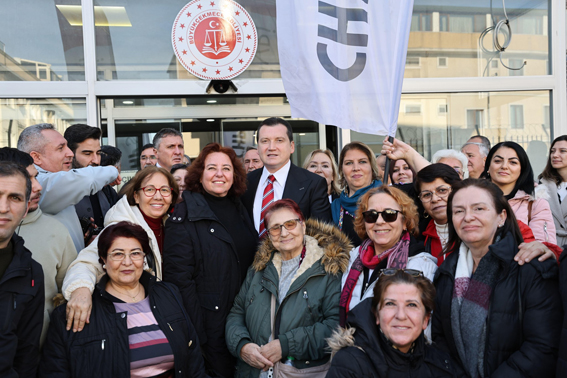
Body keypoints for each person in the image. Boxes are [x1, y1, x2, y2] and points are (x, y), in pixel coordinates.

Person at [40, 221, 208, 378]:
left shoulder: (168, 294)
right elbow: (55, 370)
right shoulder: (77, 310)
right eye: (118, 254)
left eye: (135, 253)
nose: (127, 262)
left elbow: (192, 357)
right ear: (104, 260)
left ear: (144, 259)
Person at [432, 179, 562, 378]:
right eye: (458, 211)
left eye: (479, 208)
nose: (468, 217)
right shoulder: (445, 273)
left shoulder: (531, 268)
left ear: (501, 217)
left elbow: (541, 347)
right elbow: (441, 341)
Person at [225, 199, 351, 378]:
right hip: (253, 372)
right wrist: (242, 345)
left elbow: (334, 326)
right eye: (275, 228)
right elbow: (236, 313)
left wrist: (286, 345)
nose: (284, 233)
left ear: (303, 226)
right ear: (268, 235)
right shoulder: (259, 268)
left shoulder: (328, 269)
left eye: (290, 224)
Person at [164, 143, 257, 377]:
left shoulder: (240, 207)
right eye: (212, 168)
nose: (219, 174)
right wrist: (200, 336)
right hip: (210, 328)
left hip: (246, 320)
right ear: (200, 174)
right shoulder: (184, 215)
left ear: (234, 176)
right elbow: (179, 281)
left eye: (226, 168)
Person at [62, 166, 178, 333]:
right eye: (150, 189)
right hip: (132, 318)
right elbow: (86, 263)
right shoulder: (122, 228)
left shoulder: (171, 225)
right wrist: (81, 290)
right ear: (136, 196)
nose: (158, 196)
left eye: (165, 190)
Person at [0, 148, 76, 346]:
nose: (37, 186)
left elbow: (71, 284)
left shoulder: (56, 231)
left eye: (36, 177)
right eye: (27, 179)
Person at [327, 271, 463, 378]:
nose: (401, 315)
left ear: (426, 319)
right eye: (390, 304)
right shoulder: (350, 364)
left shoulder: (441, 365)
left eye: (411, 305)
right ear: (377, 315)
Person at [339, 186, 437, 326]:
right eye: (371, 215)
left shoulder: (421, 266)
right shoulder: (353, 257)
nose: (379, 221)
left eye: (389, 214)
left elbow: (424, 329)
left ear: (404, 222)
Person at [17, 123, 119, 252]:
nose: (70, 153)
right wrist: (112, 171)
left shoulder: (103, 190)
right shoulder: (34, 183)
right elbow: (89, 178)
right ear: (36, 157)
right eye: (61, 148)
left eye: (98, 153)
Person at [241, 117, 332, 237]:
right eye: (265, 141)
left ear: (292, 147)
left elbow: (323, 236)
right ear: (258, 148)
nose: (271, 147)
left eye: (279, 140)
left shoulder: (313, 184)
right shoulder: (245, 183)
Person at [0, 161, 45, 377]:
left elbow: (26, 353)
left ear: (26, 207)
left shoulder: (32, 272)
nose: (3, 208)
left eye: (15, 198)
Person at [481, 141, 557, 244]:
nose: (504, 166)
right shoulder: (471, 197)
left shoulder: (535, 204)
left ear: (522, 169)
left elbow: (542, 247)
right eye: (498, 161)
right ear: (488, 167)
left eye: (513, 162)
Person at [65, 124, 119, 232]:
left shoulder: (106, 189)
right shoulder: (59, 190)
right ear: (70, 154)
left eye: (98, 153)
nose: (96, 160)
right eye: (87, 154)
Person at [332, 142, 382, 246]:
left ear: (372, 168)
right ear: (342, 170)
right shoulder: (334, 207)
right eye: (349, 163)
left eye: (362, 162)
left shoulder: (388, 198)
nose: (356, 168)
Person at [415, 164, 462, 265]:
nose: (435, 199)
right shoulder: (418, 238)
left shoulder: (474, 227)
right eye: (427, 195)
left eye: (442, 190)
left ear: (456, 191)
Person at [539, 135, 567, 247]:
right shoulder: (540, 184)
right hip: (548, 248)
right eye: (552, 151)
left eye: (563, 151)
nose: (555, 155)